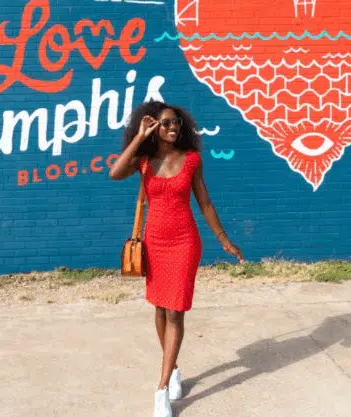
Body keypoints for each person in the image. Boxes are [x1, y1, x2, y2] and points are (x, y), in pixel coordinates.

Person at [109, 101, 244, 417]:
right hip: (155, 243)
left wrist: (224, 240)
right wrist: (140, 137)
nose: (174, 127)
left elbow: (205, 201)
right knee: (159, 308)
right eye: (167, 122)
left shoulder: (192, 160)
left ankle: (161, 388)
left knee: (175, 312)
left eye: (178, 123)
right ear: (154, 125)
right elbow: (115, 172)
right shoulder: (143, 161)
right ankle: (175, 369)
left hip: (184, 243)